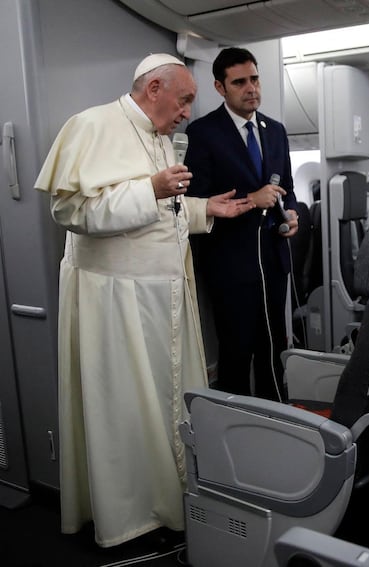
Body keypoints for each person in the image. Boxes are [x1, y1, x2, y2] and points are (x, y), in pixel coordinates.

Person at [34, 53, 254, 548]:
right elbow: (70, 209)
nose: (186, 113)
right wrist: (151, 188)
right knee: (127, 411)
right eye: (184, 100)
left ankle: (172, 497)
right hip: (118, 305)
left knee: (167, 404)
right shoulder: (91, 125)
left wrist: (204, 209)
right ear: (154, 88)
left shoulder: (159, 137)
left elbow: (161, 213)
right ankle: (131, 515)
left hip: (165, 297)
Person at [185, 47, 299, 401]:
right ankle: (234, 433)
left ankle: (277, 419)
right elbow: (197, 202)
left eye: (254, 79)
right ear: (220, 88)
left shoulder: (275, 130)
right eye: (239, 82)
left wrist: (292, 213)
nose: (251, 88)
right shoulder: (203, 134)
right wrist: (253, 200)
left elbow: (288, 189)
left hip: (273, 262)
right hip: (230, 266)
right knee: (236, 353)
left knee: (274, 347)